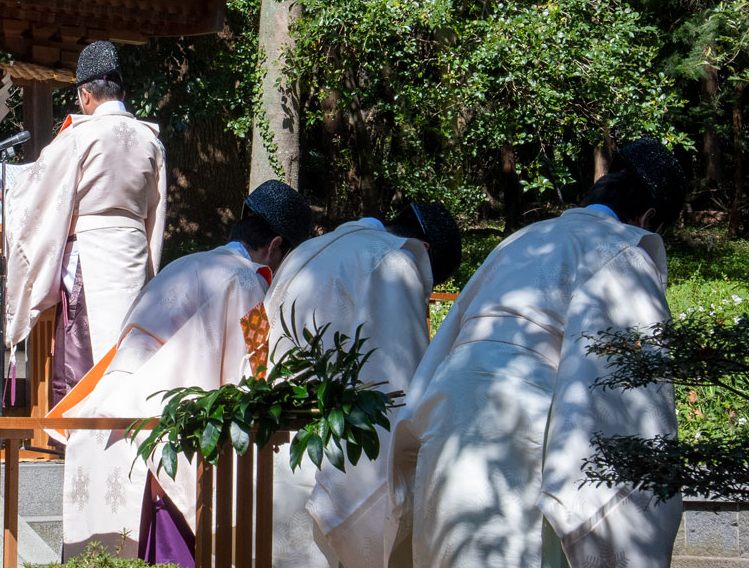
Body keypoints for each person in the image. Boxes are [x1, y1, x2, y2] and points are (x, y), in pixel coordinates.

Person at [388, 138, 687, 568]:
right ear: (648, 218)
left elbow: (450, 339)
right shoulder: (624, 252)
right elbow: (629, 400)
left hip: (445, 417)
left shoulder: (521, 239)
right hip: (524, 430)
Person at [51, 180, 311, 563]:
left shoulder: (183, 264)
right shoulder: (247, 282)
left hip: (106, 422)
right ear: (275, 247)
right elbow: (255, 376)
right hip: (162, 445)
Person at [264, 203, 461, 568]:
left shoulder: (305, 252)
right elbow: (401, 385)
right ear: (425, 252)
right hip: (338, 462)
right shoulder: (393, 262)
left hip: (281, 452)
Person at [2, 41, 167, 404]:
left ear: (85, 95)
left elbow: (36, 193)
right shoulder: (151, 141)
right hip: (134, 251)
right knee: (130, 343)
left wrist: (9, 196)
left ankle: (81, 436)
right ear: (122, 92)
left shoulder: (78, 137)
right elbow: (157, 209)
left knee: (83, 348)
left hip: (88, 256)